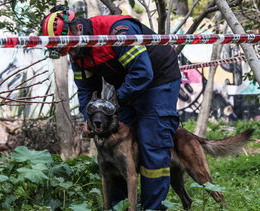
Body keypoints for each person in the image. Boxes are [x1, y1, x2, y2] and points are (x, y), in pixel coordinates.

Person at [41, 5, 181, 210]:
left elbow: (142, 73)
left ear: (78, 29)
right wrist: (88, 117)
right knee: (114, 143)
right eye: (65, 52)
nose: (71, 55)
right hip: (127, 86)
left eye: (70, 48)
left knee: (152, 143)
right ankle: (119, 206)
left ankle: (153, 207)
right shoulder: (79, 53)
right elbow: (85, 90)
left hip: (158, 81)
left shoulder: (118, 31)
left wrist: (113, 105)